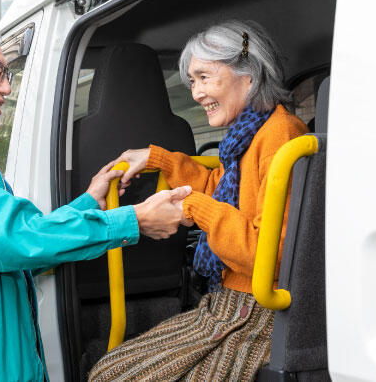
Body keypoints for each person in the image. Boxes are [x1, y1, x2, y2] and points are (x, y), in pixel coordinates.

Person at [0, 20, 193, 381]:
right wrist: (134, 220)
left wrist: (89, 203)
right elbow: (18, 241)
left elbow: (18, 250)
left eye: (7, 73)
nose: (6, 87)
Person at [89, 20, 308, 381]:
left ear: (248, 75)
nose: (195, 93)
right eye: (192, 81)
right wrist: (157, 159)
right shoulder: (247, 135)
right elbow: (218, 189)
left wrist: (191, 208)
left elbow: (271, 253)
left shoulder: (281, 136)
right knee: (109, 368)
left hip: (258, 312)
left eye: (204, 77)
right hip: (227, 302)